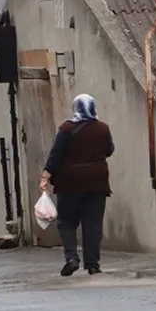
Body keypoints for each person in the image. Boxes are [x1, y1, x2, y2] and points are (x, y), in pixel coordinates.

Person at [39, 93, 115, 276]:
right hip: (97, 182)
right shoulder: (103, 129)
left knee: (66, 222)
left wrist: (45, 176)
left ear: (75, 108)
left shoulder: (66, 129)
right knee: (93, 224)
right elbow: (109, 150)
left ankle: (71, 258)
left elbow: (55, 155)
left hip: (69, 183)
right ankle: (93, 264)